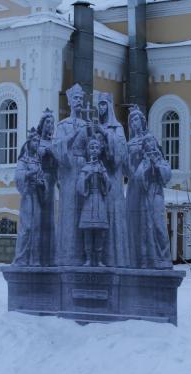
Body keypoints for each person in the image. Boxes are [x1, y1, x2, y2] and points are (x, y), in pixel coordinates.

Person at [125, 106, 173, 269]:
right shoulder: (130, 143)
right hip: (136, 189)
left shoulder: (155, 152)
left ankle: (163, 257)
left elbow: (166, 174)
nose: (134, 123)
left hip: (154, 192)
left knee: (158, 224)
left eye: (137, 119)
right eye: (131, 120)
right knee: (140, 224)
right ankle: (141, 257)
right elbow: (128, 168)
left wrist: (154, 164)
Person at [52, 84, 90, 266]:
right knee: (68, 211)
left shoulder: (86, 125)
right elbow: (57, 148)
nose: (79, 102)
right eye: (75, 98)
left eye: (81, 99)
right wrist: (72, 136)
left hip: (83, 169)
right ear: (69, 101)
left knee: (84, 210)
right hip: (68, 171)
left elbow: (92, 148)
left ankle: (85, 253)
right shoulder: (63, 125)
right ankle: (67, 253)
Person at [95, 92, 129, 267]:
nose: (101, 108)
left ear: (109, 106)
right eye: (98, 105)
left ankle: (116, 258)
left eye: (103, 104)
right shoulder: (96, 128)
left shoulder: (117, 129)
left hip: (113, 180)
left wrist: (106, 135)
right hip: (99, 181)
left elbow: (120, 157)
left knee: (113, 215)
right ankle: (100, 257)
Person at [12, 132, 47, 267]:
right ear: (29, 143)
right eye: (34, 141)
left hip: (37, 196)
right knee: (26, 228)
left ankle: (34, 259)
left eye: (38, 141)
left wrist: (42, 183)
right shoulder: (23, 161)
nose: (36, 143)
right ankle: (21, 258)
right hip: (27, 195)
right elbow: (18, 176)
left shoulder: (38, 161)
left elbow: (42, 178)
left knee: (37, 227)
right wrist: (29, 174)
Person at [77, 138, 111, 267]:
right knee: (87, 231)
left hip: (100, 200)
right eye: (92, 148)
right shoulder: (85, 167)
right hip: (89, 199)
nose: (94, 150)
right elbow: (79, 186)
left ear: (100, 150)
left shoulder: (102, 167)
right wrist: (87, 177)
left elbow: (108, 186)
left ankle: (99, 259)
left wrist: (103, 175)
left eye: (97, 147)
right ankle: (88, 259)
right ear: (88, 150)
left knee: (100, 231)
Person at [36, 109, 57, 266]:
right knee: (38, 217)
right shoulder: (36, 142)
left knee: (49, 219)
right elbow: (31, 157)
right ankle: (36, 255)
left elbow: (58, 164)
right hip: (38, 182)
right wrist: (43, 152)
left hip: (51, 180)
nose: (50, 125)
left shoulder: (54, 143)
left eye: (52, 122)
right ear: (42, 124)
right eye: (47, 122)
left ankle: (48, 255)